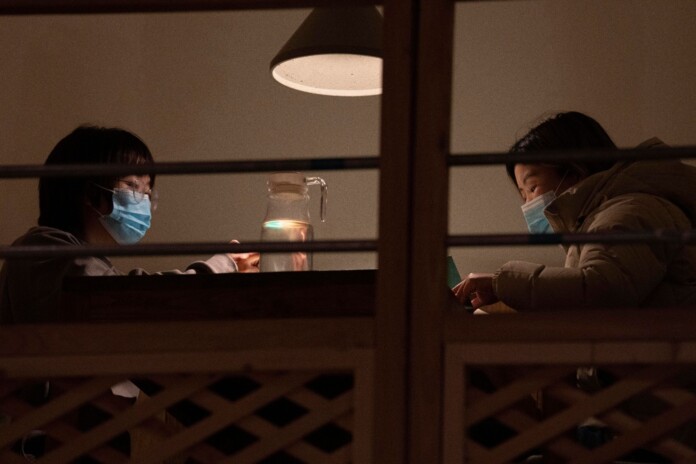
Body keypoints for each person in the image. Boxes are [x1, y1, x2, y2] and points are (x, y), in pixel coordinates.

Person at [0, 125, 259, 324]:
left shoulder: (90, 262)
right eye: (133, 186)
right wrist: (219, 267)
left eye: (148, 193)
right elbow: (129, 298)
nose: (143, 201)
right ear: (89, 192)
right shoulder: (39, 250)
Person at [453, 111, 696, 311]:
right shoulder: (603, 218)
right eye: (523, 195)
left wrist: (502, 284)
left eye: (532, 187)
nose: (527, 204)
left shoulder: (629, 213)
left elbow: (600, 290)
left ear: (574, 172)